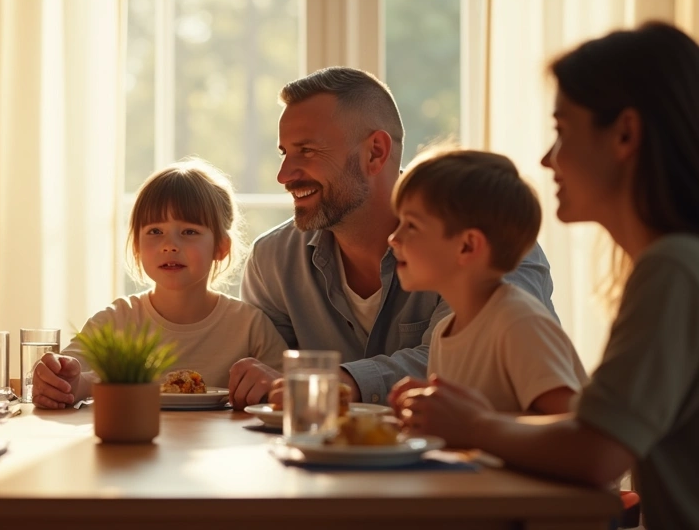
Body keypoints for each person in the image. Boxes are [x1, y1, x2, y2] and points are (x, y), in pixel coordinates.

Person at [394, 22, 699, 529]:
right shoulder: (671, 266)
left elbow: (597, 452)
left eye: (562, 131)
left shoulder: (674, 269)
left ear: (625, 134)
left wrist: (476, 425)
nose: (546, 159)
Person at [229, 67, 556, 409]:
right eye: (284, 153)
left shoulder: (487, 241)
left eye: (307, 151)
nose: (284, 175)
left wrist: (342, 382)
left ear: (375, 152)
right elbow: (273, 376)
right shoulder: (272, 260)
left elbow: (477, 361)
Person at [30, 159, 287, 409]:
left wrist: (273, 389)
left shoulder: (250, 326)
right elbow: (70, 381)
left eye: (189, 231)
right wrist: (57, 380)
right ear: (137, 246)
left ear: (221, 247)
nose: (169, 245)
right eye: (155, 231)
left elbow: (287, 391)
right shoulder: (116, 320)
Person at [384, 149, 586, 415]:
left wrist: (475, 422)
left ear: (467, 246)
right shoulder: (445, 331)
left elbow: (571, 426)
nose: (393, 238)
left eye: (411, 225)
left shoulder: (517, 323)